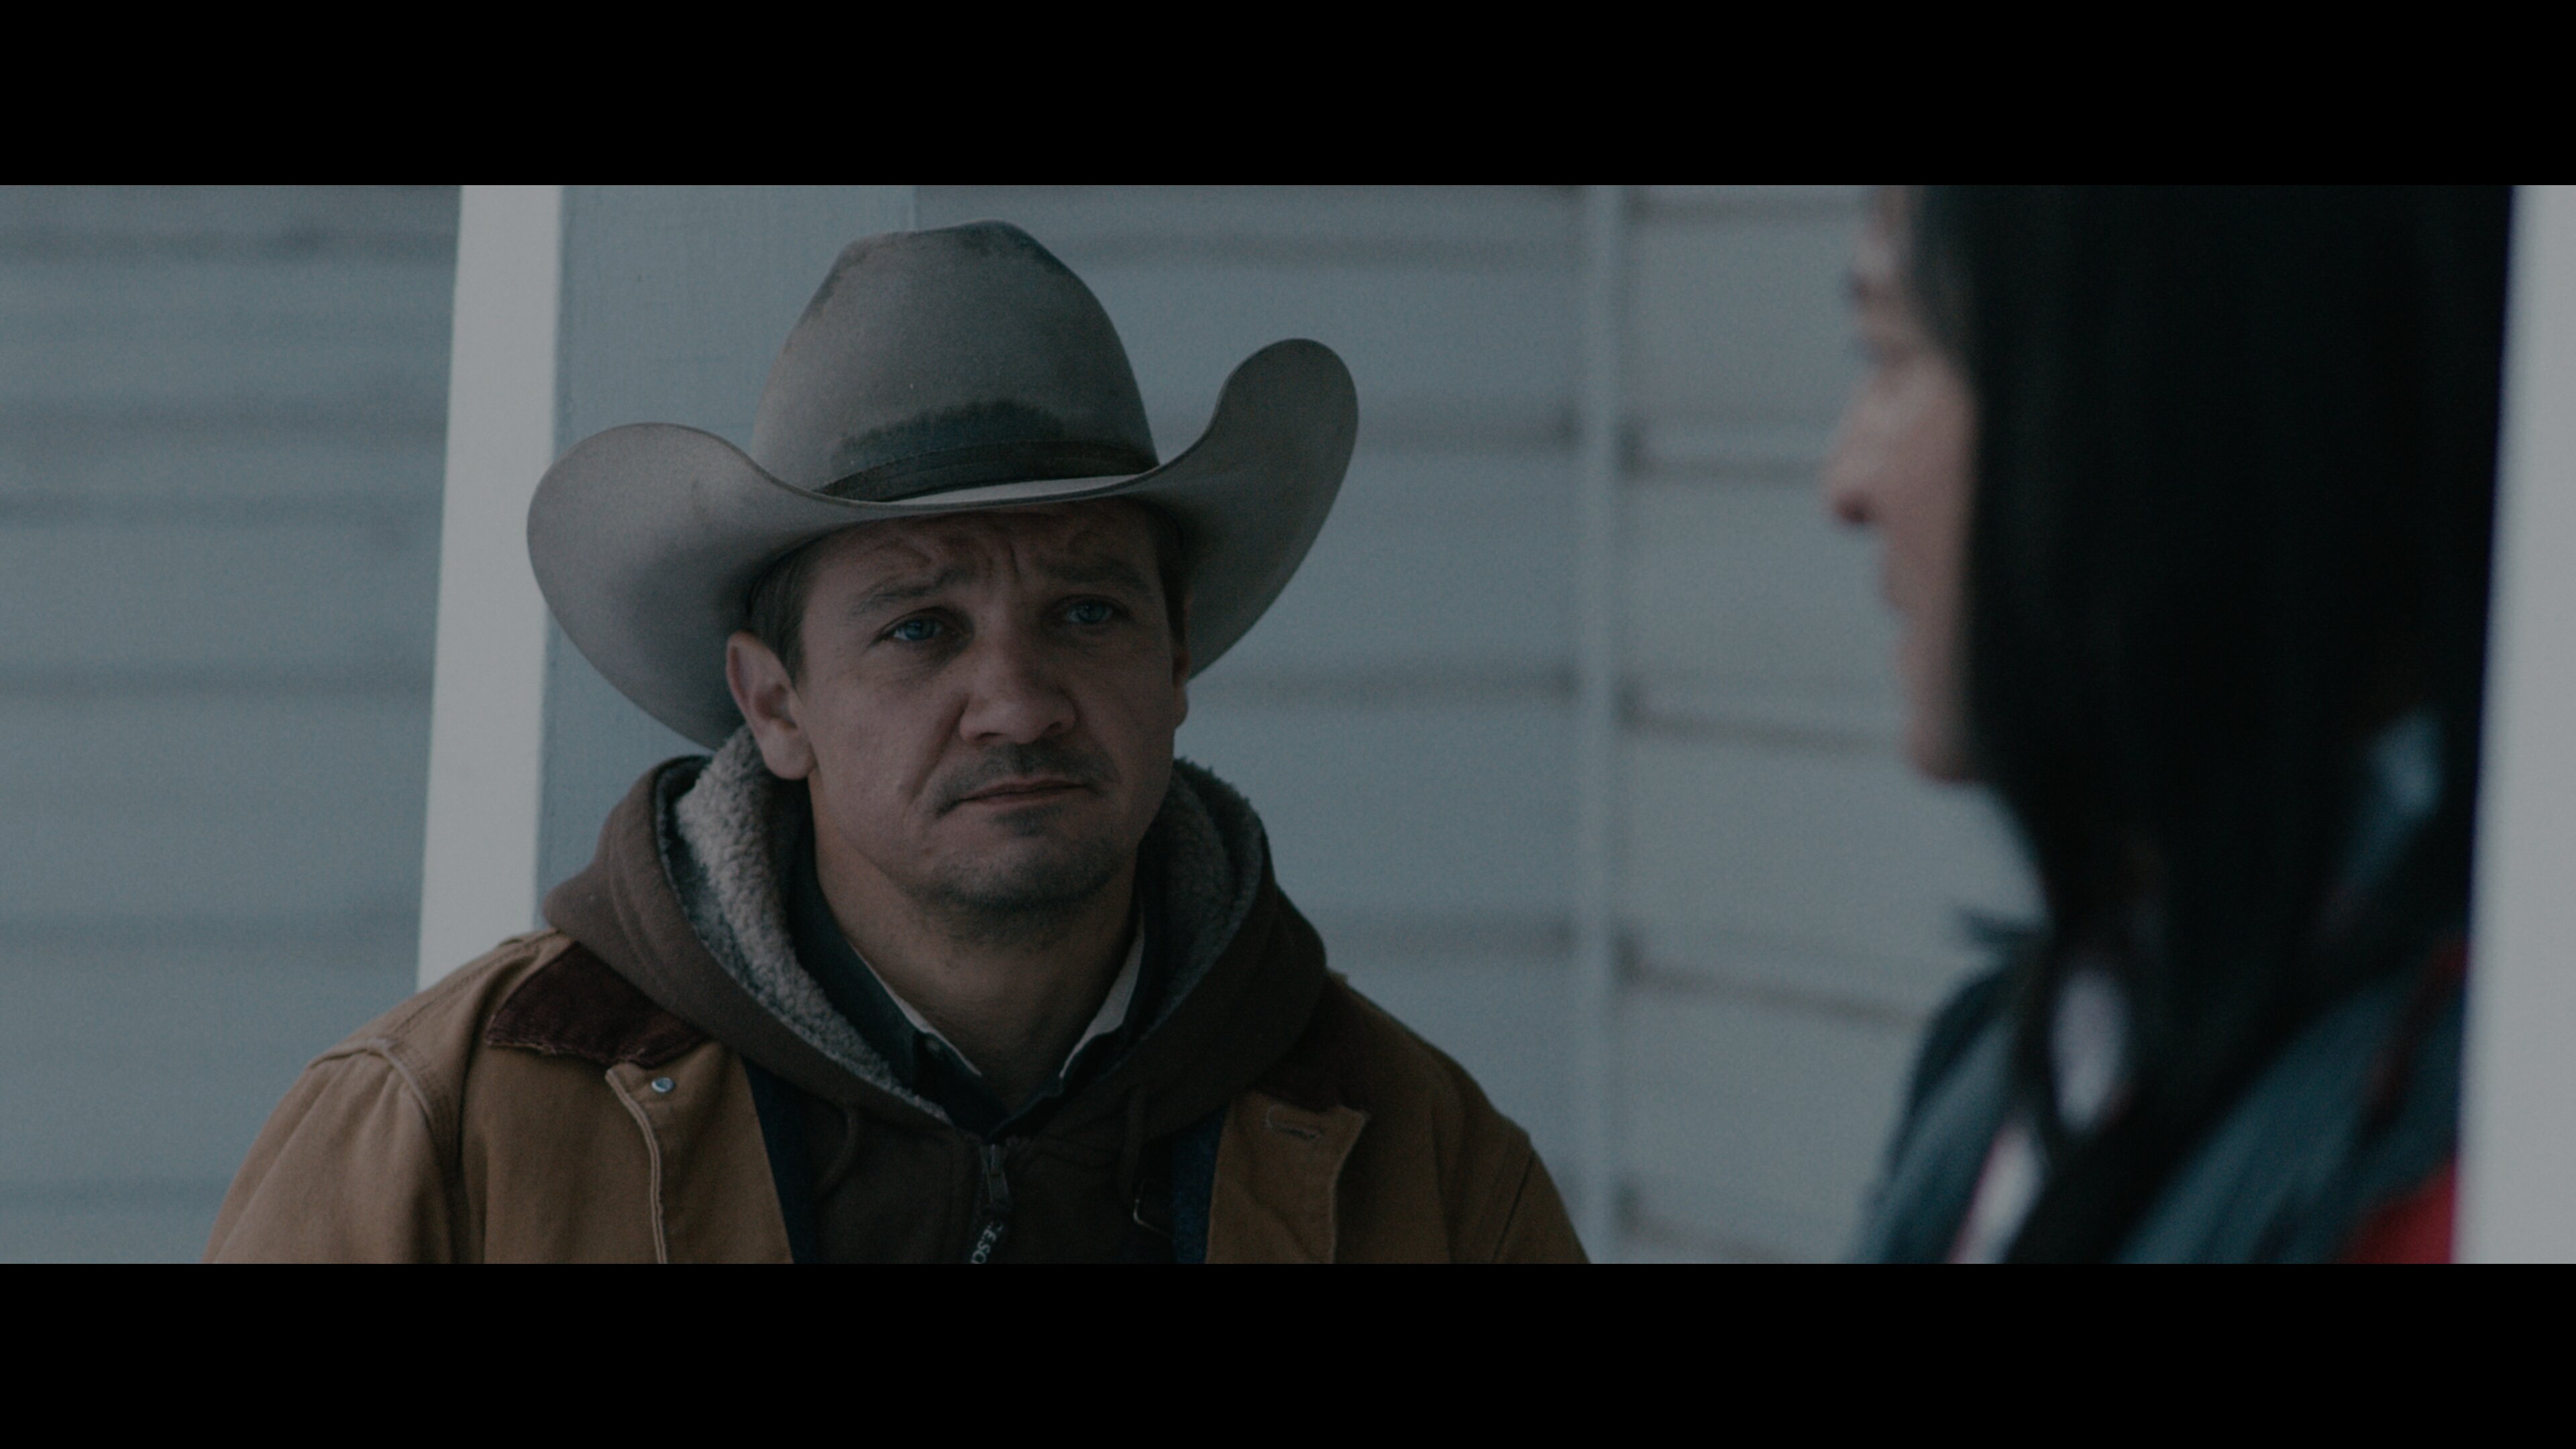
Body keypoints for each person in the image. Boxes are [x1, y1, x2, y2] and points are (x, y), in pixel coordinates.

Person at [207, 221, 1582, 1263]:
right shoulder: (447, 1131)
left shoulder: (1417, 1161)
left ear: (1174, 666)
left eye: (1088, 612)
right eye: (921, 628)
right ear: (775, 706)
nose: (1019, 703)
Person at [1829, 188, 2510, 1261]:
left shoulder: (2466, 1161)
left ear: (2141, 393)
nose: (1845, 484)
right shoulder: (2026, 1060)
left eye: (1891, 355)